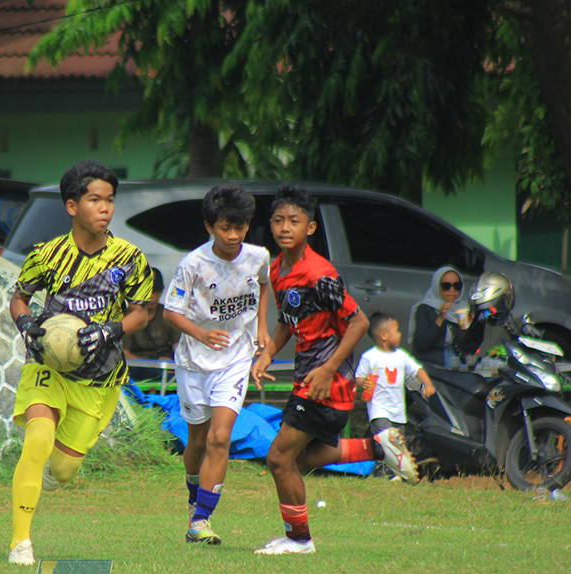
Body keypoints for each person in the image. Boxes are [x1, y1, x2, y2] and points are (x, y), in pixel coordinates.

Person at [250, 184, 414, 555]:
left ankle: (299, 540)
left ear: (310, 227)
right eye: (278, 220)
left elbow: (357, 323)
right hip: (309, 378)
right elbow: (287, 324)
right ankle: (375, 447)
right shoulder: (276, 269)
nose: (284, 227)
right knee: (302, 459)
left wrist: (328, 369)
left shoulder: (319, 273)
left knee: (279, 458)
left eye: (294, 220)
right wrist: (267, 354)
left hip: (327, 383)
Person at [7, 160, 154, 566]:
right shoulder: (47, 254)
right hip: (48, 367)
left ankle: (48, 477)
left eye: (109, 200)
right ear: (72, 206)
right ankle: (21, 543)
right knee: (37, 439)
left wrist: (110, 330)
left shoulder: (129, 258)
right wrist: (25, 324)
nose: (105, 208)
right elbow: (18, 297)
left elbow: (142, 312)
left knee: (65, 469)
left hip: (99, 379)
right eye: (95, 200)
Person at [161, 183, 270, 545]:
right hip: (193, 362)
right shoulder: (192, 264)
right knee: (197, 440)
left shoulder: (257, 256)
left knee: (220, 438)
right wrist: (201, 334)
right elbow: (170, 313)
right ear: (209, 227)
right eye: (226, 228)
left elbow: (264, 286)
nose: (234, 235)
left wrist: (261, 329)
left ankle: (201, 519)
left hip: (235, 359)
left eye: (241, 227)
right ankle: (195, 500)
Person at [356, 311, 436, 484]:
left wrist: (428, 384)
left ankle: (395, 474)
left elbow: (417, 369)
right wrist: (363, 383)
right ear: (384, 335)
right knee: (385, 440)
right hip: (379, 409)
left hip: (398, 411)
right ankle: (382, 474)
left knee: (398, 443)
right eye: (396, 331)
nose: (400, 334)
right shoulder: (369, 357)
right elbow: (359, 377)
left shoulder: (401, 356)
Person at [408, 266, 485, 370]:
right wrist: (440, 318)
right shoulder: (425, 309)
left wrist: (477, 322)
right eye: (446, 286)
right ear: (436, 286)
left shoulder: (462, 309)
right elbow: (423, 343)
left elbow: (468, 346)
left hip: (456, 364)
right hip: (433, 365)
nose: (452, 290)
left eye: (456, 286)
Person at [122, 268, 180, 381]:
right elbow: (124, 353)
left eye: (156, 290)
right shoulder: (126, 316)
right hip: (135, 370)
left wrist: (174, 362)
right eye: (148, 290)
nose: (152, 295)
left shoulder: (168, 314)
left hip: (166, 369)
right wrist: (153, 365)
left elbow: (178, 346)